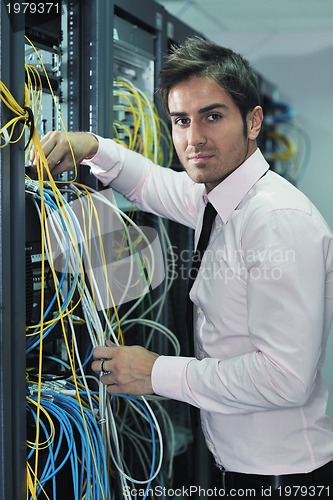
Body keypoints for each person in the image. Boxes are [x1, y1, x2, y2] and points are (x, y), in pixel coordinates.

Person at [33, 37, 333, 496]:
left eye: (213, 116)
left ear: (253, 121)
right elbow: (153, 183)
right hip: (245, 466)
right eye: (180, 121)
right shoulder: (218, 198)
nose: (194, 138)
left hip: (284, 478)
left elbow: (283, 378)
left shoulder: (275, 221)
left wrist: (154, 372)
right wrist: (92, 146)